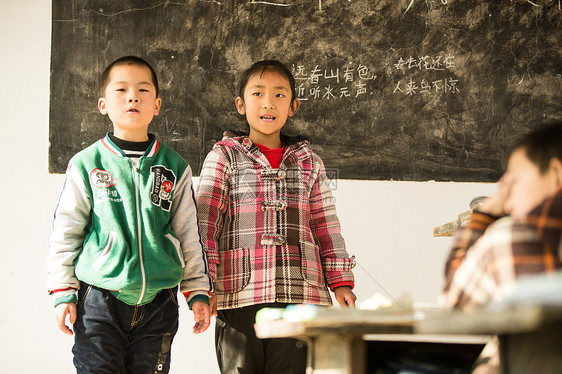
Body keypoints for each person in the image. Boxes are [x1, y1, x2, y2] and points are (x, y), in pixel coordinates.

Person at [47, 56, 213, 373]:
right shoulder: (87, 164)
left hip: (159, 302)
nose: (132, 97)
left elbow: (190, 234)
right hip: (99, 300)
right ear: (103, 104)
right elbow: (66, 231)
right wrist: (63, 291)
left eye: (142, 90)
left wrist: (198, 290)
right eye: (121, 90)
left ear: (157, 105)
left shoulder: (175, 166)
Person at [196, 60, 357, 374]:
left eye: (279, 95)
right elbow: (206, 223)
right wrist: (204, 284)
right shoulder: (224, 155)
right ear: (241, 104)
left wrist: (340, 282)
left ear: (293, 106)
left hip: (299, 293)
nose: (268, 102)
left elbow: (326, 225)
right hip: (240, 293)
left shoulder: (309, 161)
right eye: (258, 93)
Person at [442, 120, 562, 311]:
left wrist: (483, 217)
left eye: (513, 183)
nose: (508, 203)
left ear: (557, 173)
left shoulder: (510, 237)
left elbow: (453, 301)